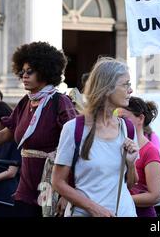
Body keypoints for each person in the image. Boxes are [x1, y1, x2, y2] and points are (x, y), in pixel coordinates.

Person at [0, 41, 77, 217]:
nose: (24, 76)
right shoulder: (25, 102)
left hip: (51, 184)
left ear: (45, 71)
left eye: (30, 72)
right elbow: (8, 132)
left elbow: (74, 146)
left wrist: (68, 192)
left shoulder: (60, 102)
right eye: (22, 72)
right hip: (25, 184)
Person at [52, 57, 139, 217]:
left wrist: (131, 164)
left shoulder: (127, 128)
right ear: (107, 88)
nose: (131, 90)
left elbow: (131, 183)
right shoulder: (73, 129)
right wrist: (94, 208)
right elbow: (58, 182)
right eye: (126, 84)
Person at [120, 97, 160, 217]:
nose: (119, 122)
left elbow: (156, 195)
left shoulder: (150, 151)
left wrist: (120, 200)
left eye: (124, 118)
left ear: (140, 118)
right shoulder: (118, 146)